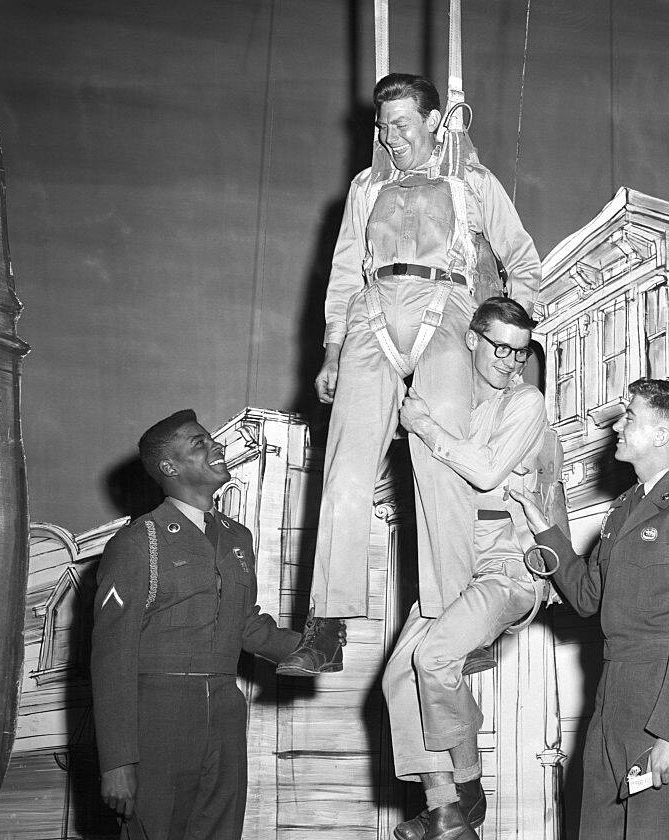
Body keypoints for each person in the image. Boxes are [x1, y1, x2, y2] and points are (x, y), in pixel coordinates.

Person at [278, 73, 540, 677]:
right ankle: (328, 624)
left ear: (431, 120)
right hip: (371, 315)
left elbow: (521, 260)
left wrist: (508, 338)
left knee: (440, 468)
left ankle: (454, 619)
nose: (389, 135)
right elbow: (344, 273)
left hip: (447, 314)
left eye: (401, 123)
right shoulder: (365, 188)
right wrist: (333, 349)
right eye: (381, 125)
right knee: (344, 468)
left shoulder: (473, 182)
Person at [510, 379, 669, 840]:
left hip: (663, 710)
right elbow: (586, 596)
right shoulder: (625, 509)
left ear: (660, 435)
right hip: (612, 704)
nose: (618, 424)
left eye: (630, 416)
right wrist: (543, 528)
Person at [380, 297, 549, 840]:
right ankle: (447, 810)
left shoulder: (527, 403)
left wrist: (425, 426)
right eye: (500, 347)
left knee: (433, 656)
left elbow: (486, 471)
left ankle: (468, 782)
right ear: (472, 339)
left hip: (507, 565)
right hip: (450, 555)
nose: (510, 362)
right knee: (397, 677)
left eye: (520, 353)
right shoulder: (452, 396)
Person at [91, 410, 302, 839]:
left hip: (225, 711)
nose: (216, 447)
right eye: (200, 444)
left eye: (211, 439)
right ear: (170, 468)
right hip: (158, 717)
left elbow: (244, 624)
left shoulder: (236, 536)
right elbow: (111, 659)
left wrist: (311, 645)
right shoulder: (138, 541)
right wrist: (116, 762)